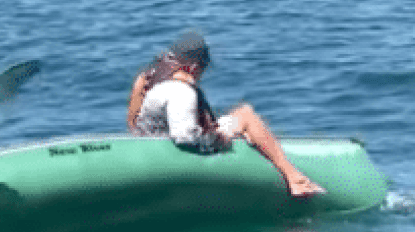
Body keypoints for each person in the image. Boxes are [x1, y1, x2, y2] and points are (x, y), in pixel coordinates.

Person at [125, 32, 326, 198]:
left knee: (236, 120)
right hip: (173, 151)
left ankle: (272, 155)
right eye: (202, 68)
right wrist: (219, 140)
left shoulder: (146, 79)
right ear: (194, 67)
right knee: (245, 114)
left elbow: (133, 124)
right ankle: (294, 178)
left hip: (146, 144)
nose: (201, 74)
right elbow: (185, 138)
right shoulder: (181, 90)